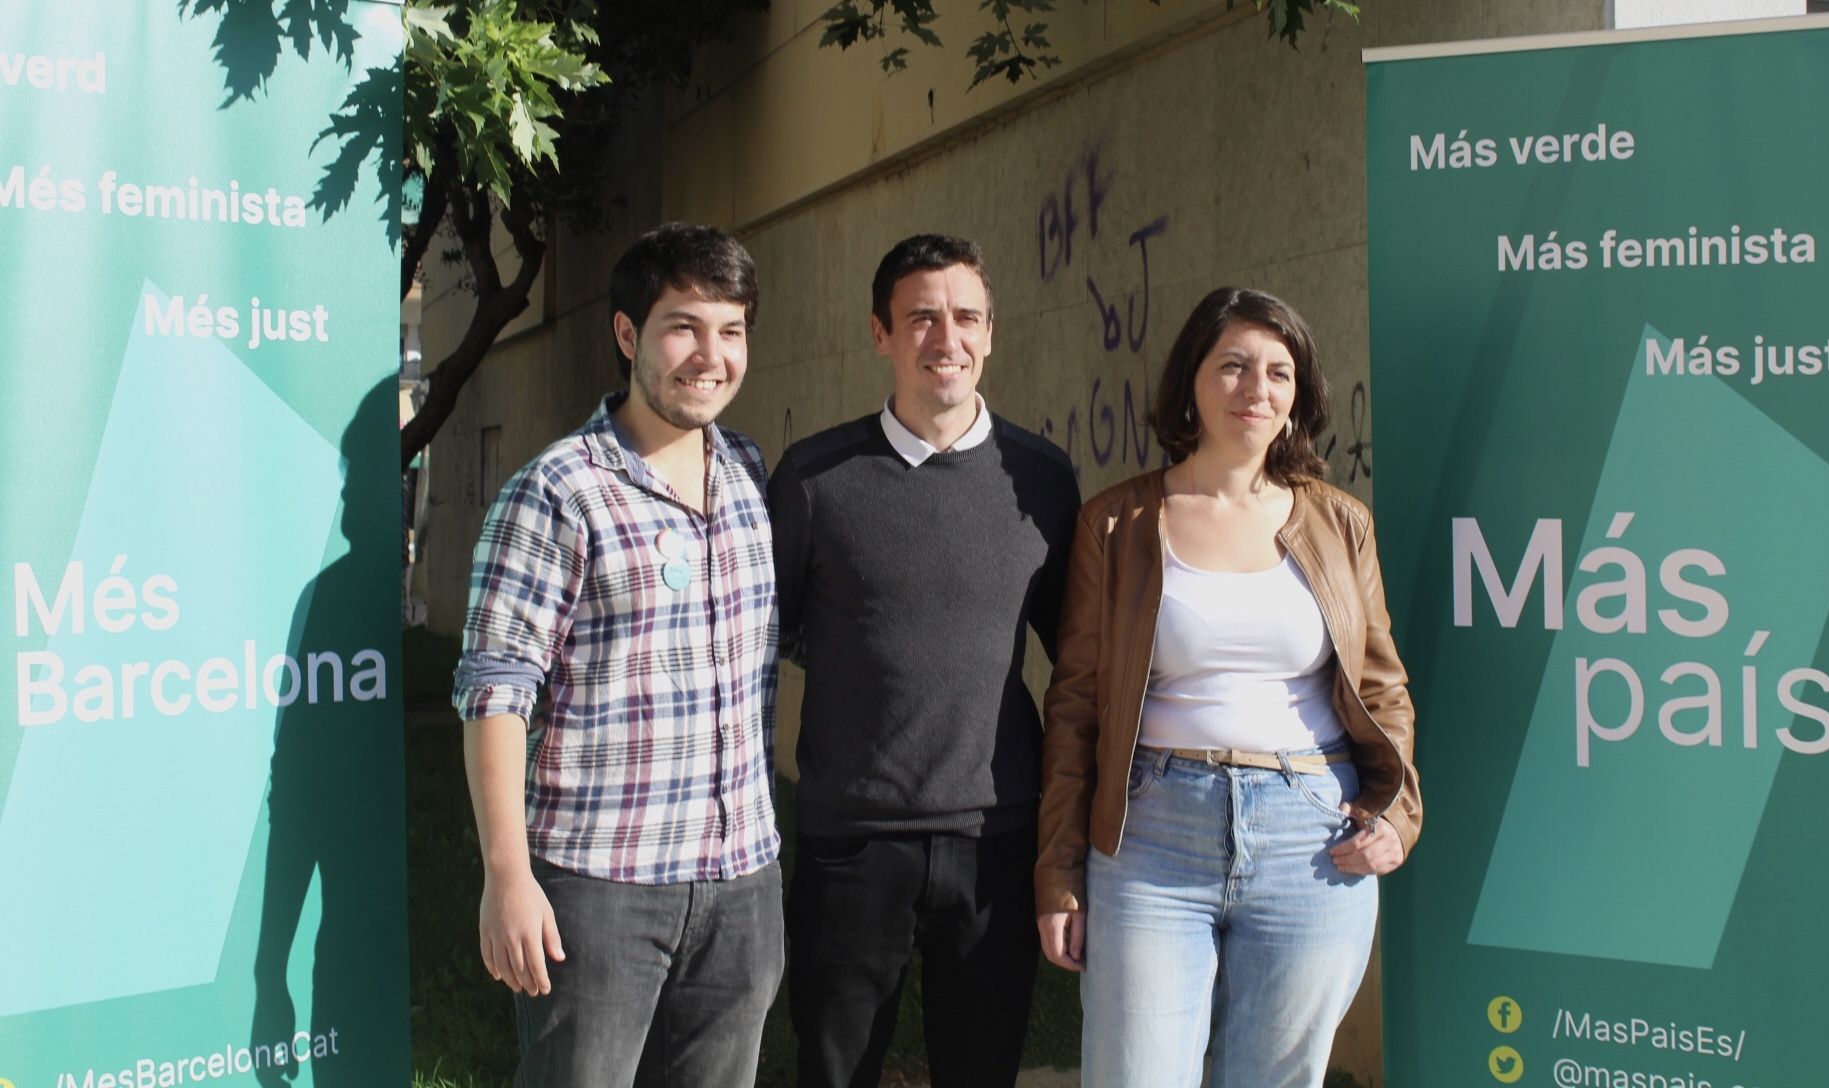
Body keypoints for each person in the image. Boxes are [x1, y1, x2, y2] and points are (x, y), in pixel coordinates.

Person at [1034, 286, 1421, 1088]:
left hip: (1311, 836)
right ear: (1191, 383)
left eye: (1279, 372)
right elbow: (1074, 707)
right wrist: (1059, 873)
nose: (1257, 390)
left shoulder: (1339, 521)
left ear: (1299, 395)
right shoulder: (1118, 523)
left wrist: (1396, 812)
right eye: (1234, 366)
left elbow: (1382, 689)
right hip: (1150, 836)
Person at [452, 223, 782, 1088]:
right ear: (629, 335)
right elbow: (495, 691)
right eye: (684, 327)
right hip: (600, 887)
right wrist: (507, 875)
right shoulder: (557, 491)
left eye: (732, 330)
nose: (710, 355)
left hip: (741, 877)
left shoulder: (747, 474)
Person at [769, 233, 1080, 1088]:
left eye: (966, 317)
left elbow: (1071, 652)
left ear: (990, 332)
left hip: (996, 838)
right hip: (851, 840)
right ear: (881, 334)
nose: (947, 338)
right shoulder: (815, 478)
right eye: (921, 318)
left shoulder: (1043, 480)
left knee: (980, 1071)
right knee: (835, 1071)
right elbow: (778, 631)